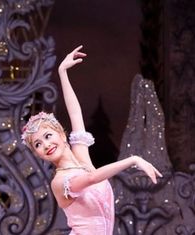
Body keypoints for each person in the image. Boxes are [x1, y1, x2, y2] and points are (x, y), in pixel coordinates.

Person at [21, 45, 163, 235]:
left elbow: (75, 113)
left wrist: (62, 72)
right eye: (37, 144)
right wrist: (133, 159)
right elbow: (92, 178)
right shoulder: (60, 181)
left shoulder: (81, 160)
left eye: (48, 136)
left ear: (62, 135)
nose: (46, 144)